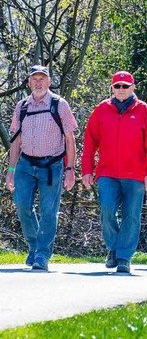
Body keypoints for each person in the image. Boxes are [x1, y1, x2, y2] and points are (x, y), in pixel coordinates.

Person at [82, 71, 147, 274]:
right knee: (107, 210)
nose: (121, 90)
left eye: (125, 86)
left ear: (132, 88)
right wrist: (87, 170)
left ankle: (124, 257)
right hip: (107, 172)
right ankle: (113, 248)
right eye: (117, 86)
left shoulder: (143, 110)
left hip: (135, 174)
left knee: (131, 216)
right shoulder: (102, 109)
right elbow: (90, 142)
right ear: (112, 88)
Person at [5, 65, 77, 271]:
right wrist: (11, 170)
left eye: (42, 79)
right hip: (26, 165)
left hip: (52, 166)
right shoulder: (22, 106)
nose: (38, 83)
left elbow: (70, 140)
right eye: (34, 79)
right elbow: (16, 141)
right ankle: (35, 246)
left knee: (48, 211)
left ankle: (42, 255)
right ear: (29, 83)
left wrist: (70, 170)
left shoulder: (59, 104)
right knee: (22, 206)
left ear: (49, 82)